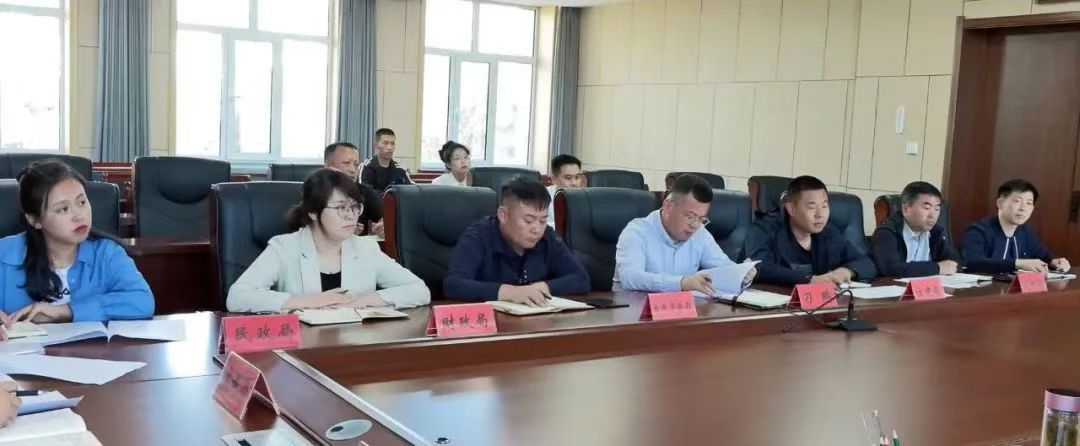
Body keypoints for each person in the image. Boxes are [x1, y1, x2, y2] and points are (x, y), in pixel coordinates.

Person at [227, 168, 430, 313]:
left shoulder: (366, 247)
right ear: (313, 212)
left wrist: (365, 300)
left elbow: (419, 290)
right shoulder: (284, 247)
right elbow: (238, 297)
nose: (351, 216)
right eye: (341, 208)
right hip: (301, 349)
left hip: (355, 345)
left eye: (355, 207)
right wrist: (308, 301)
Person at [0, 161, 153, 332]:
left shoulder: (107, 253)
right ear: (34, 220)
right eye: (63, 209)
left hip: (91, 349)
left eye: (81, 202)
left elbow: (143, 301)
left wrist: (67, 311)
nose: (79, 216)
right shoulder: (4, 254)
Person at [444, 177, 590, 305]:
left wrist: (541, 288)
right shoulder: (477, 236)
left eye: (542, 221)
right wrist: (512, 292)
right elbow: (454, 285)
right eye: (529, 221)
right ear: (503, 214)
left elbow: (581, 278)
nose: (537, 229)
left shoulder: (547, 237)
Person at [614, 174, 755, 295]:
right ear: (668, 206)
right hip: (636, 313)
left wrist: (741, 275)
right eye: (690, 216)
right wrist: (681, 283)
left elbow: (724, 267)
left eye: (701, 219)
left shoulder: (700, 233)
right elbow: (630, 277)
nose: (695, 225)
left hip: (682, 314)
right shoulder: (637, 231)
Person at [745, 175, 877, 286]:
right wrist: (810, 280)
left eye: (824, 206)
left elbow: (866, 264)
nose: (820, 214)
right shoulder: (764, 230)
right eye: (812, 207)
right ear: (791, 209)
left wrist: (846, 271)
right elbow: (760, 267)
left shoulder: (829, 232)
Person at [961, 179, 1070, 274]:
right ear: (1000, 203)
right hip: (985, 290)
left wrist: (1054, 262)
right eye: (1017, 201)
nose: (1023, 208)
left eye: (1029, 203)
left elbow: (1042, 255)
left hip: (1015, 289)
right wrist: (1017, 263)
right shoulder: (978, 231)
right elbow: (972, 262)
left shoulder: (1026, 232)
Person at [870, 181, 962, 278]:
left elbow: (956, 263)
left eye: (937, 209)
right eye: (927, 208)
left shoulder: (935, 232)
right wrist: (937, 268)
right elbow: (890, 269)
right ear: (906, 209)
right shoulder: (887, 232)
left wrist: (947, 266)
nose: (932, 215)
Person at [324, 141, 384, 237]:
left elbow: (386, 218)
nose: (352, 170)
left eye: (356, 164)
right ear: (327, 165)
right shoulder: (313, 191)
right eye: (346, 163)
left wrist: (385, 226)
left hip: (356, 245)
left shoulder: (365, 192)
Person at [547, 154, 584, 227]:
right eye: (568, 178)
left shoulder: (586, 198)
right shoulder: (542, 197)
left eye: (577, 177)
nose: (574, 183)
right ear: (554, 179)